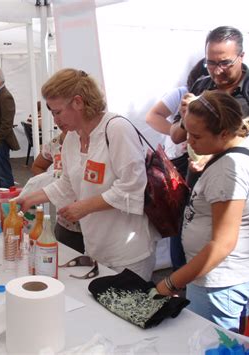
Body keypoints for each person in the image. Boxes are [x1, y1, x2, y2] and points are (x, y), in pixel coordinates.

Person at [18, 68, 159, 281]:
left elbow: (131, 186)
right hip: (96, 247)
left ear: (78, 102)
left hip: (127, 252)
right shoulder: (73, 138)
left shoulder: (116, 129)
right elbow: (66, 185)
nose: (55, 119)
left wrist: (84, 207)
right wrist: (28, 199)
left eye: (57, 112)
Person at [156, 91, 249, 332]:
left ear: (225, 133)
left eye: (197, 136)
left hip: (221, 279)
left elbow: (222, 244)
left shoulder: (229, 171)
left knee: (211, 343)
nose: (189, 142)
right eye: (187, 132)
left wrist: (170, 282)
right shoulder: (247, 140)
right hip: (229, 274)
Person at [170, 26, 249, 160]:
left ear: (241, 56)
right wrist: (185, 117)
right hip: (198, 178)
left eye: (225, 63)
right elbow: (175, 136)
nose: (217, 71)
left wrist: (217, 152)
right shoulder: (201, 85)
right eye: (210, 63)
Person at [145, 58, 208, 270]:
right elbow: (152, 117)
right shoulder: (183, 93)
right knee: (180, 219)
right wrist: (181, 135)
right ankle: (179, 272)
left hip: (200, 166)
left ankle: (181, 274)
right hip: (178, 166)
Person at [31, 130, 84, 254]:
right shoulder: (55, 144)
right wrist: (53, 185)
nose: (57, 120)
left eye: (60, 112)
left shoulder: (91, 141)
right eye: (54, 114)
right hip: (65, 223)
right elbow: (37, 166)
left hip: (93, 223)